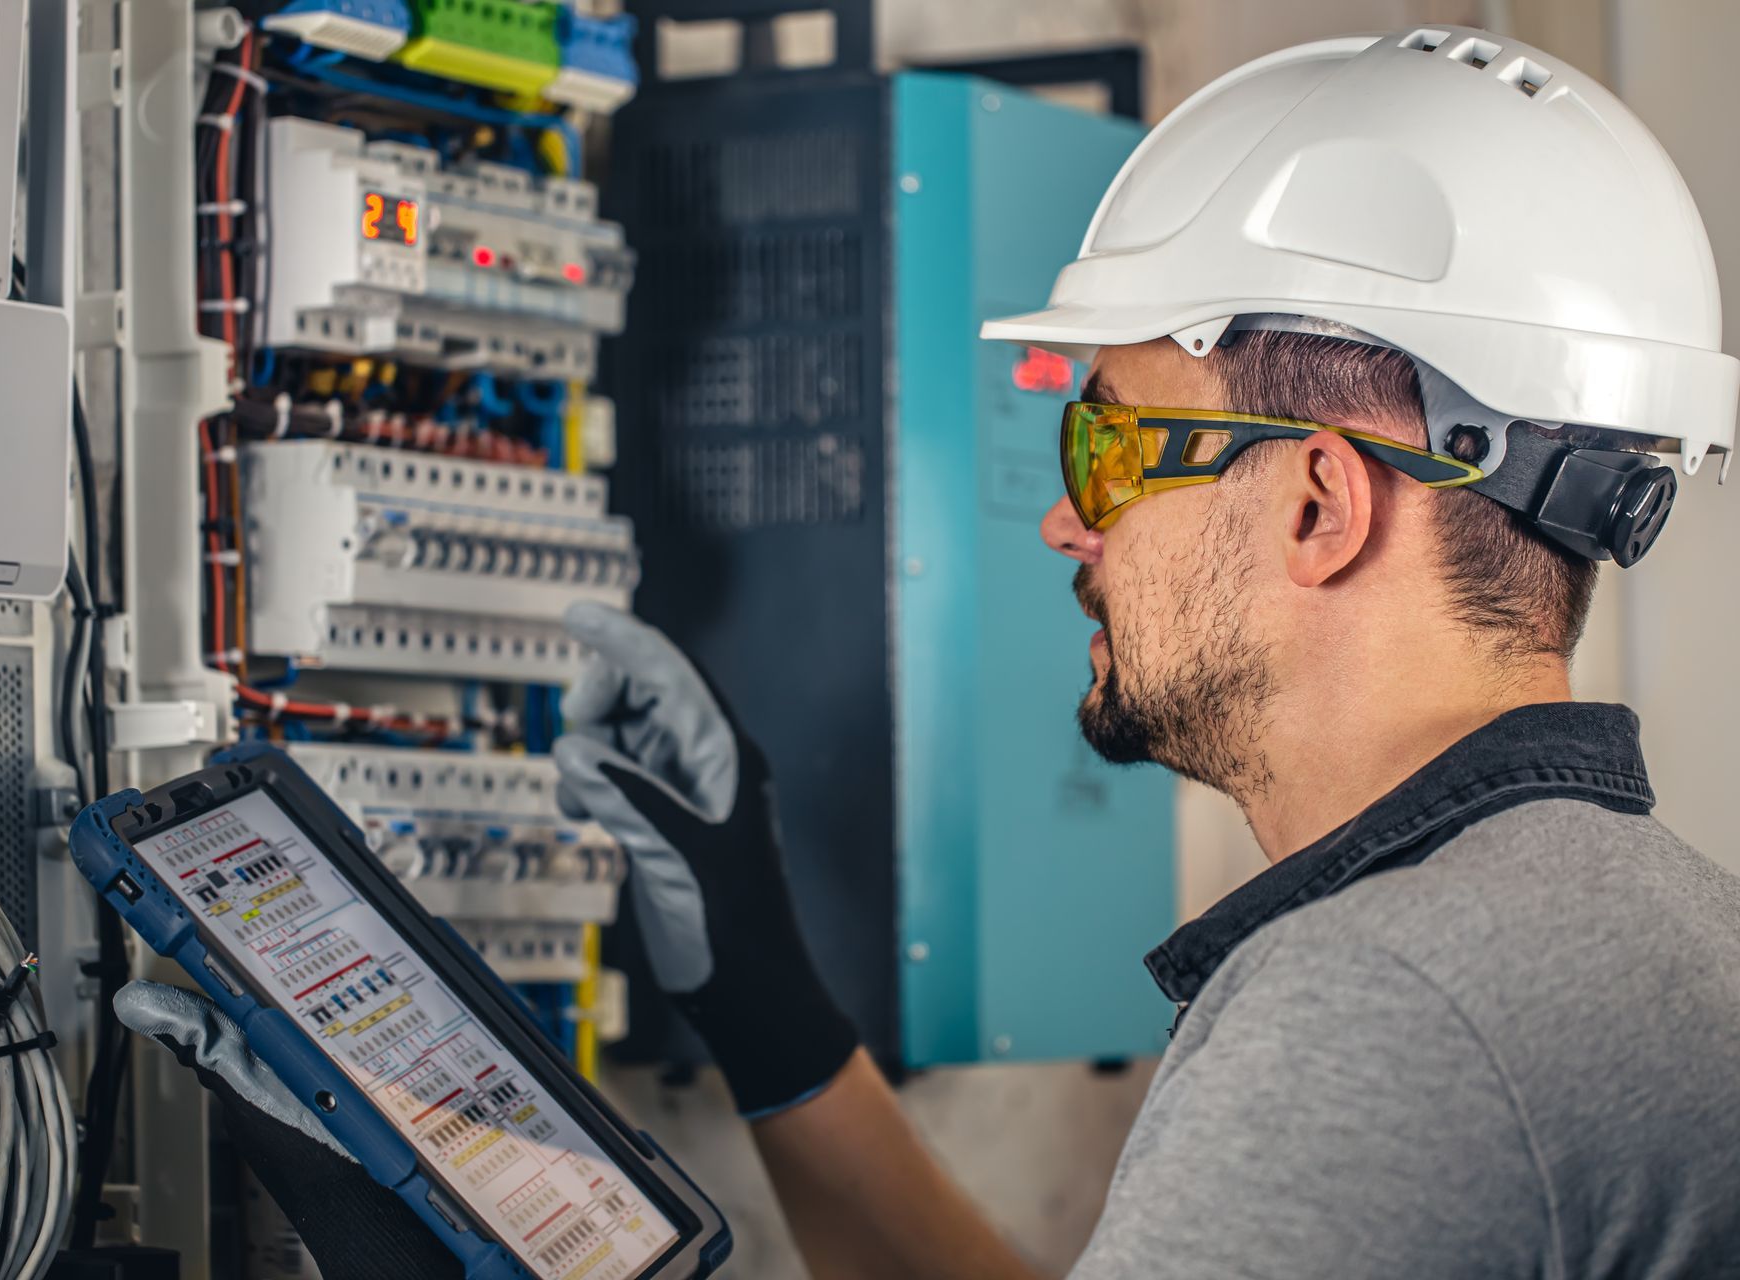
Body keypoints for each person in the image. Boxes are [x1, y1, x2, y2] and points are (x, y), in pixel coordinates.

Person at [121, 25, 1740, 1279]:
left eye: (1107, 452)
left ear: (1321, 504)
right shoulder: (1639, 927)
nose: (1067, 528)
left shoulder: (1388, 1002)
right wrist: (763, 997)